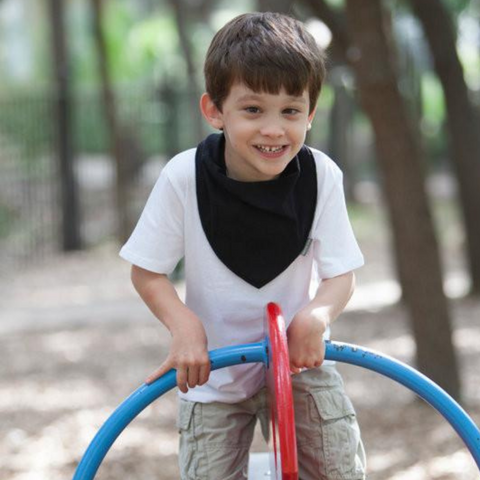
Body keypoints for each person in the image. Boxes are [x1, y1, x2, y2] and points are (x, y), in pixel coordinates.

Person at [120, 11, 366, 480]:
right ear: (215, 110)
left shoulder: (322, 176)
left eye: (290, 111)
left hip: (298, 362)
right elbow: (147, 270)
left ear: (311, 113)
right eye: (253, 110)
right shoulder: (184, 177)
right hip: (213, 373)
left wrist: (317, 316)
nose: (273, 129)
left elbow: (341, 274)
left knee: (338, 467)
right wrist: (184, 326)